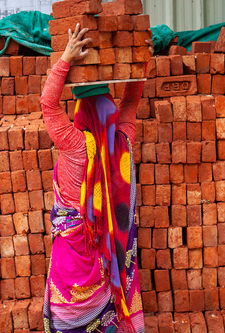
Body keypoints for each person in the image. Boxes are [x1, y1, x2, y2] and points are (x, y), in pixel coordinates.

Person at [40, 23, 153, 333]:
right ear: (109, 112)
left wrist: (66, 58)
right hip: (105, 271)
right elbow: (130, 103)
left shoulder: (76, 147)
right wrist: (140, 60)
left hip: (71, 273)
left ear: (82, 112)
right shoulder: (123, 142)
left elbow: (48, 105)